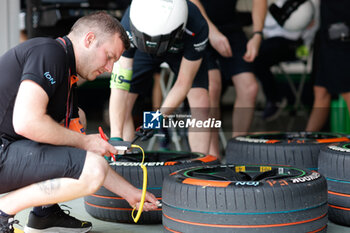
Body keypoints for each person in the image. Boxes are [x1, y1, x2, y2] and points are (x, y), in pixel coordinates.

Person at [0, 11, 158, 233]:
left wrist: (130, 193)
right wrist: (85, 142)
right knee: (93, 170)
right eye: (110, 56)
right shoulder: (49, 52)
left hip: (8, 149)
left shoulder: (66, 73)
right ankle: (3, 211)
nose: (110, 68)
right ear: (89, 39)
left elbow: (77, 147)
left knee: (77, 119)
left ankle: (45, 214)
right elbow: (26, 122)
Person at [109, 0, 211, 154]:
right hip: (142, 48)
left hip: (181, 51)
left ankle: (200, 162)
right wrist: (115, 138)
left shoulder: (197, 25)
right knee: (125, 101)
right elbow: (119, 86)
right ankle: (122, 156)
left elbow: (183, 83)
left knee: (201, 103)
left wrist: (158, 117)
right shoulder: (128, 24)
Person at [190, 0, 267, 157]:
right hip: (196, 26)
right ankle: (212, 157)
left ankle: (236, 153)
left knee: (249, 87)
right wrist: (211, 32)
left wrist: (257, 35)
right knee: (211, 87)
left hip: (230, 27)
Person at [254, 0, 319, 121]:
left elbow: (272, 23)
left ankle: (274, 100)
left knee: (257, 56)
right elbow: (268, 23)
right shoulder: (280, 3)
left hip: (297, 46)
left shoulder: (311, 4)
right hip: (272, 42)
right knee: (253, 52)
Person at [306, 0, 350, 132]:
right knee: (321, 90)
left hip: (342, 32)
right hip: (327, 33)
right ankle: (306, 143)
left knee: (347, 90)